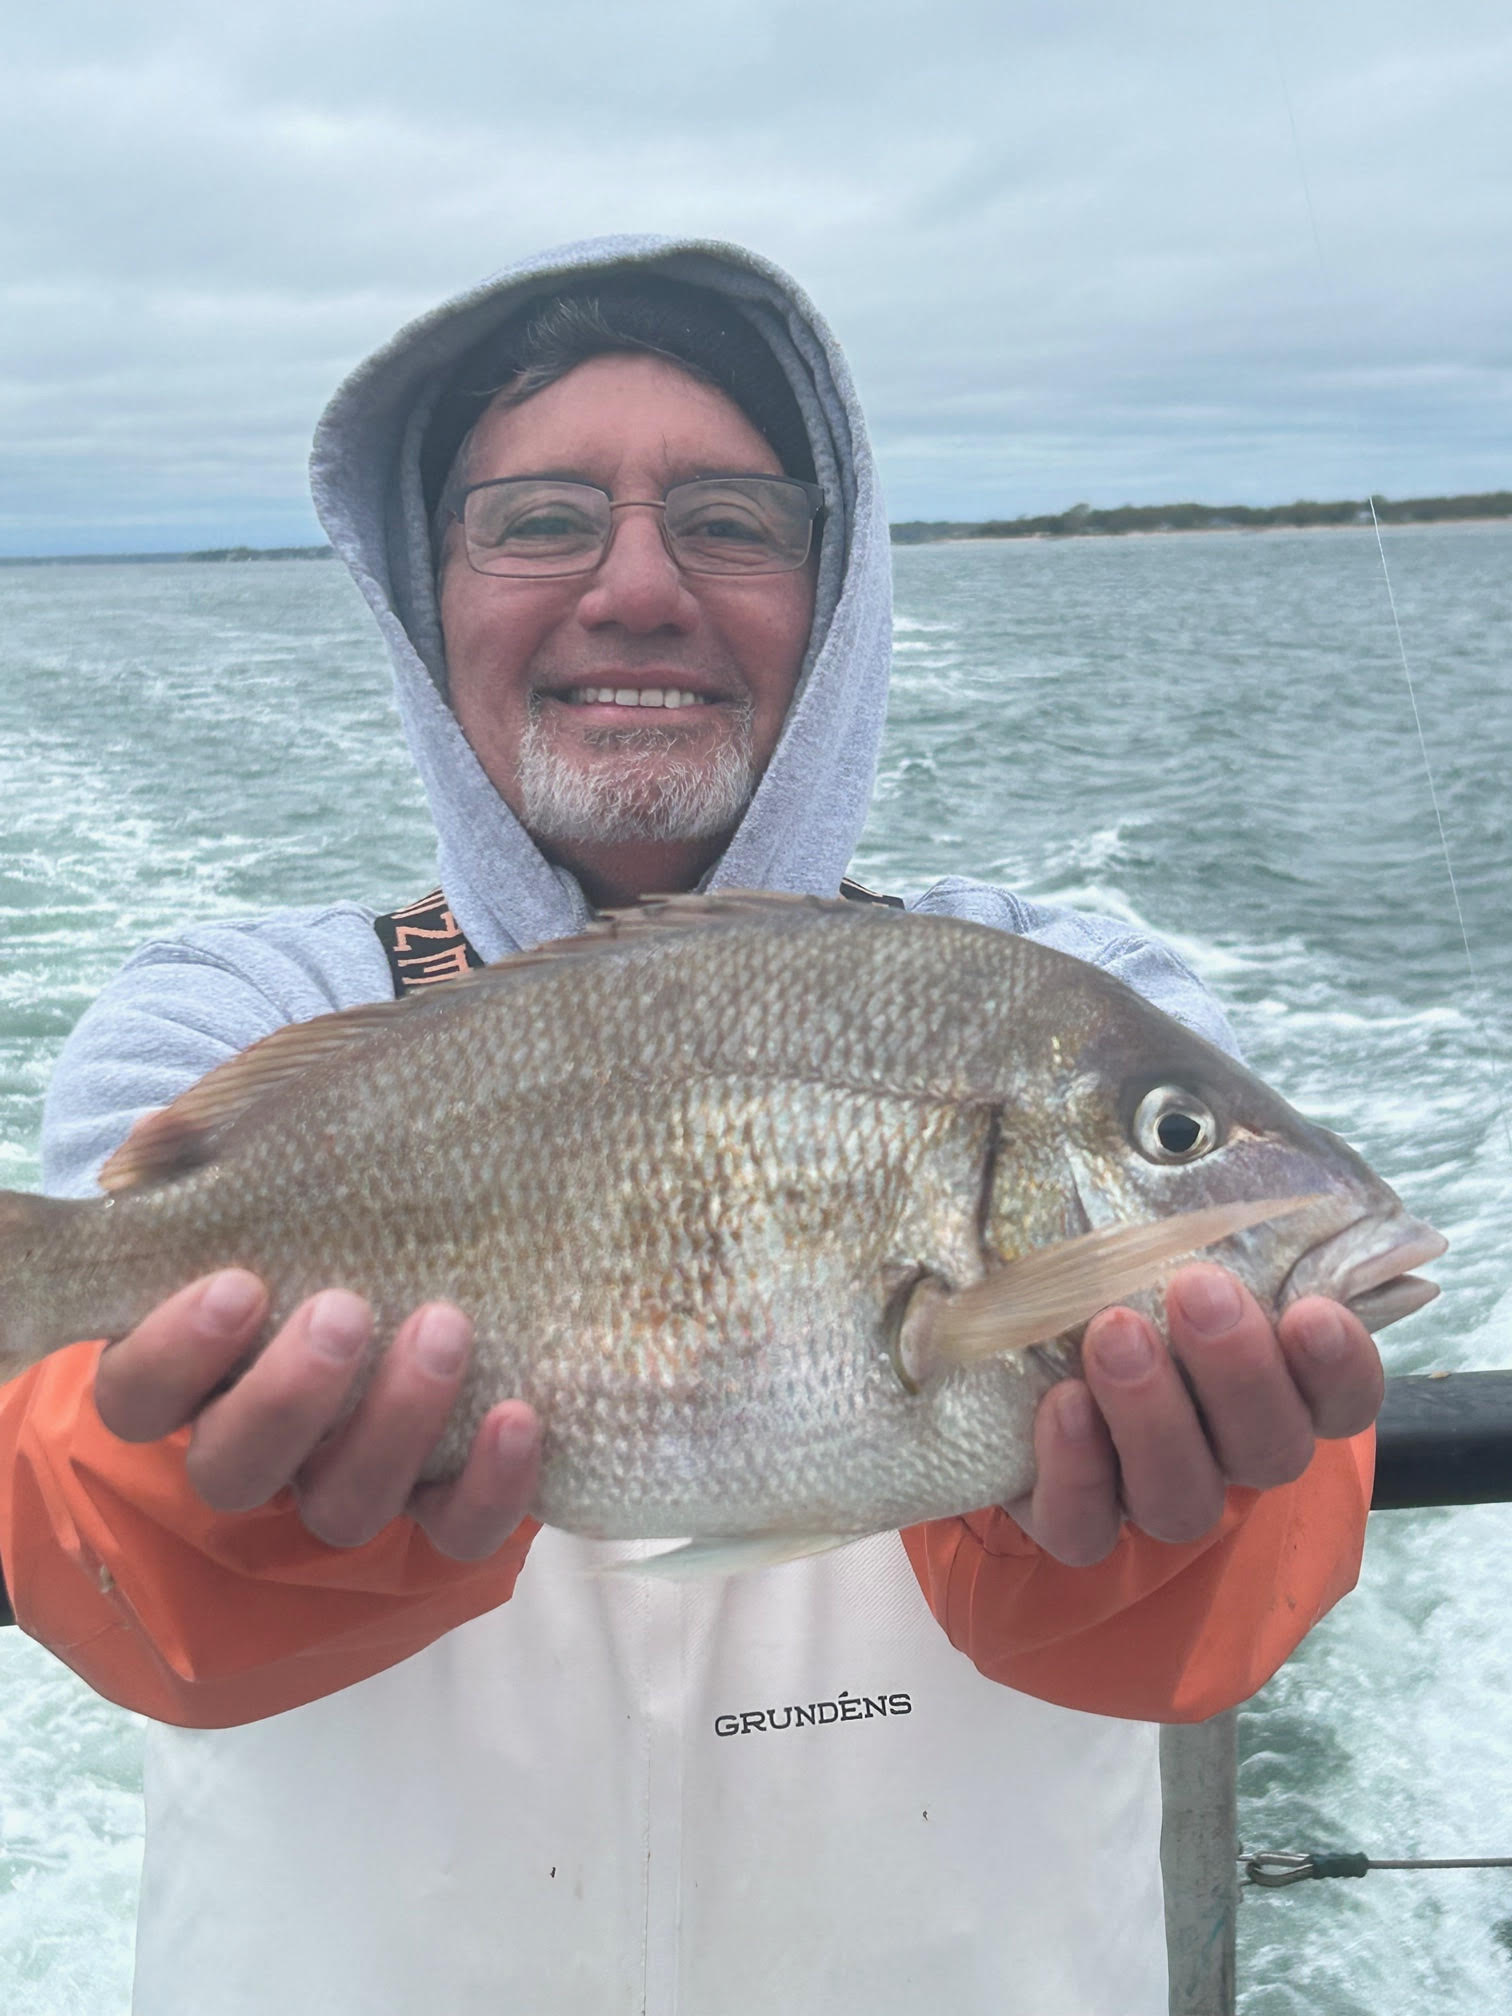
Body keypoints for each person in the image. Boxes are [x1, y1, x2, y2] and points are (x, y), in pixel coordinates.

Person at [0, 238, 1381, 2016]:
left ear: (842, 588)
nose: (636, 587)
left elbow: (1239, 1551)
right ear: (431, 598)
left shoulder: (1075, 990)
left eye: (730, 521)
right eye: (540, 519)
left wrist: (1175, 1520)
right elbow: (76, 1541)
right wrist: (204, 1504)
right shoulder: (223, 1019)